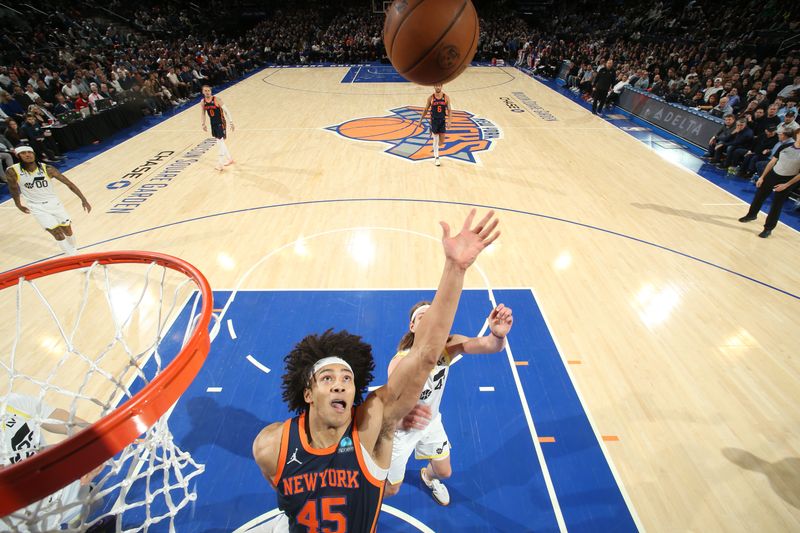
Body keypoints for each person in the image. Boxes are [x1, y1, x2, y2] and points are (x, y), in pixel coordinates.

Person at [252, 209, 500, 532]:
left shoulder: (371, 431)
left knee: (396, 483)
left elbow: (425, 354)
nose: (340, 385)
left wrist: (454, 269)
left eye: (347, 379)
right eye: (328, 378)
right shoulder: (271, 446)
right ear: (308, 392)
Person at [383, 302, 513, 505]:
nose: (429, 322)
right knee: (391, 489)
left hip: (431, 422)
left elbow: (488, 345)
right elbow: (388, 408)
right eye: (422, 318)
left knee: (444, 472)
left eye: (433, 317)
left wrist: (497, 335)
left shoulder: (449, 347)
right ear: (412, 326)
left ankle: (427, 477)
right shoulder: (399, 363)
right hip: (402, 430)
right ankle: (365, 504)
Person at [1, 393, 113, 532]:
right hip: (19, 519)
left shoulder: (12, 404)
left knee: (93, 500)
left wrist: (106, 434)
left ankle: (76, 518)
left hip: (48, 488)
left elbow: (57, 417)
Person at [5, 146, 91, 256]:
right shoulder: (12, 171)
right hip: (36, 207)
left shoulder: (47, 168)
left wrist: (83, 199)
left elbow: (68, 183)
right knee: (57, 233)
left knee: (67, 230)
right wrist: (18, 204)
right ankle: (74, 258)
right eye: (23, 153)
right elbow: (13, 188)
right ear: (18, 156)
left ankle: (73, 250)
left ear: (34, 154)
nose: (27, 155)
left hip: (54, 203)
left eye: (29, 152)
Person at [738, 128, 800, 238]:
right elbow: (772, 162)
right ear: (797, 135)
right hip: (773, 174)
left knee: (776, 204)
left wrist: (786, 185)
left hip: (788, 180)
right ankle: (751, 215)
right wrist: (762, 177)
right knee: (759, 196)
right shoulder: (785, 146)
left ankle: (768, 228)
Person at [200, 85, 235, 171]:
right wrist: (203, 123)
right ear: (203, 92)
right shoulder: (203, 102)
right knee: (220, 142)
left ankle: (220, 164)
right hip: (213, 124)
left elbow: (226, 111)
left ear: (211, 91)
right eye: (205, 91)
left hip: (221, 123)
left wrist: (231, 122)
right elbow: (203, 113)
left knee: (220, 143)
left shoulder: (217, 99)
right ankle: (230, 159)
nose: (207, 92)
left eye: (208, 90)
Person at [417, 85, 450, 167]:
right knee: (435, 140)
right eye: (436, 86)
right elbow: (425, 110)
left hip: (442, 121)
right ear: (434, 87)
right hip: (434, 121)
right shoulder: (430, 98)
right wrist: (420, 120)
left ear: (441, 86)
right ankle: (437, 157)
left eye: (439, 86)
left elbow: (449, 110)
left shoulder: (446, 97)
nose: (438, 87)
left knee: (441, 142)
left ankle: (435, 147)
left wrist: (450, 121)